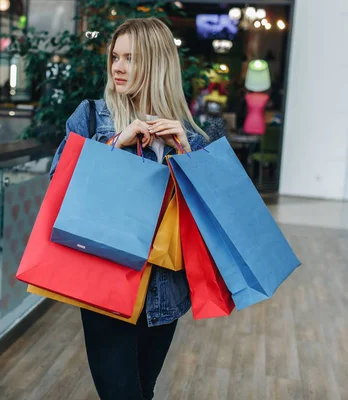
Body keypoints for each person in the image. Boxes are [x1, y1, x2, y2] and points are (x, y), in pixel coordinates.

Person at [48, 18, 209, 400]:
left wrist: (188, 155)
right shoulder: (91, 116)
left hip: (163, 290)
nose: (117, 68)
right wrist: (114, 144)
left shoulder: (190, 135)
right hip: (104, 278)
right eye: (115, 57)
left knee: (143, 391)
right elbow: (58, 182)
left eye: (130, 59)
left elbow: (211, 218)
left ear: (156, 64)